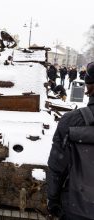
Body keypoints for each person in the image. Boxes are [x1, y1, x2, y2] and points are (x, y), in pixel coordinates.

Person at [47, 61, 94, 220]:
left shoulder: (71, 121)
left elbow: (57, 168)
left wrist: (53, 201)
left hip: (77, 207)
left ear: (89, 87)